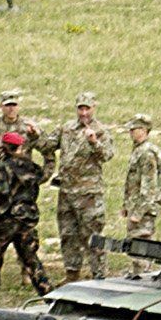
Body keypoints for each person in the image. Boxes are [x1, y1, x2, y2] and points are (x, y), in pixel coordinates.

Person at [0, 123, 50, 302]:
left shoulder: (2, 168)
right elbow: (39, 181)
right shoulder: (31, 166)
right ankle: (47, 293)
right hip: (27, 219)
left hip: (5, 222)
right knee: (31, 260)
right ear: (20, 147)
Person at [51, 95, 113, 282]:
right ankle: (72, 273)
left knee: (92, 236)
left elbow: (107, 155)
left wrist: (94, 142)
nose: (84, 113)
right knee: (68, 234)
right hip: (67, 192)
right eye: (80, 108)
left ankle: (99, 275)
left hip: (89, 194)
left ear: (94, 107)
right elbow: (48, 144)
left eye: (87, 108)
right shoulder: (67, 128)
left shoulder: (100, 131)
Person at [120, 113, 161, 275]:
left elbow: (149, 186)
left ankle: (141, 275)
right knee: (136, 242)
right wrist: (126, 206)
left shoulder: (147, 154)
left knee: (141, 243)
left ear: (144, 130)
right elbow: (133, 182)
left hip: (144, 208)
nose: (131, 132)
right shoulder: (139, 150)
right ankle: (137, 272)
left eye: (134, 129)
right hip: (136, 205)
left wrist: (139, 212)